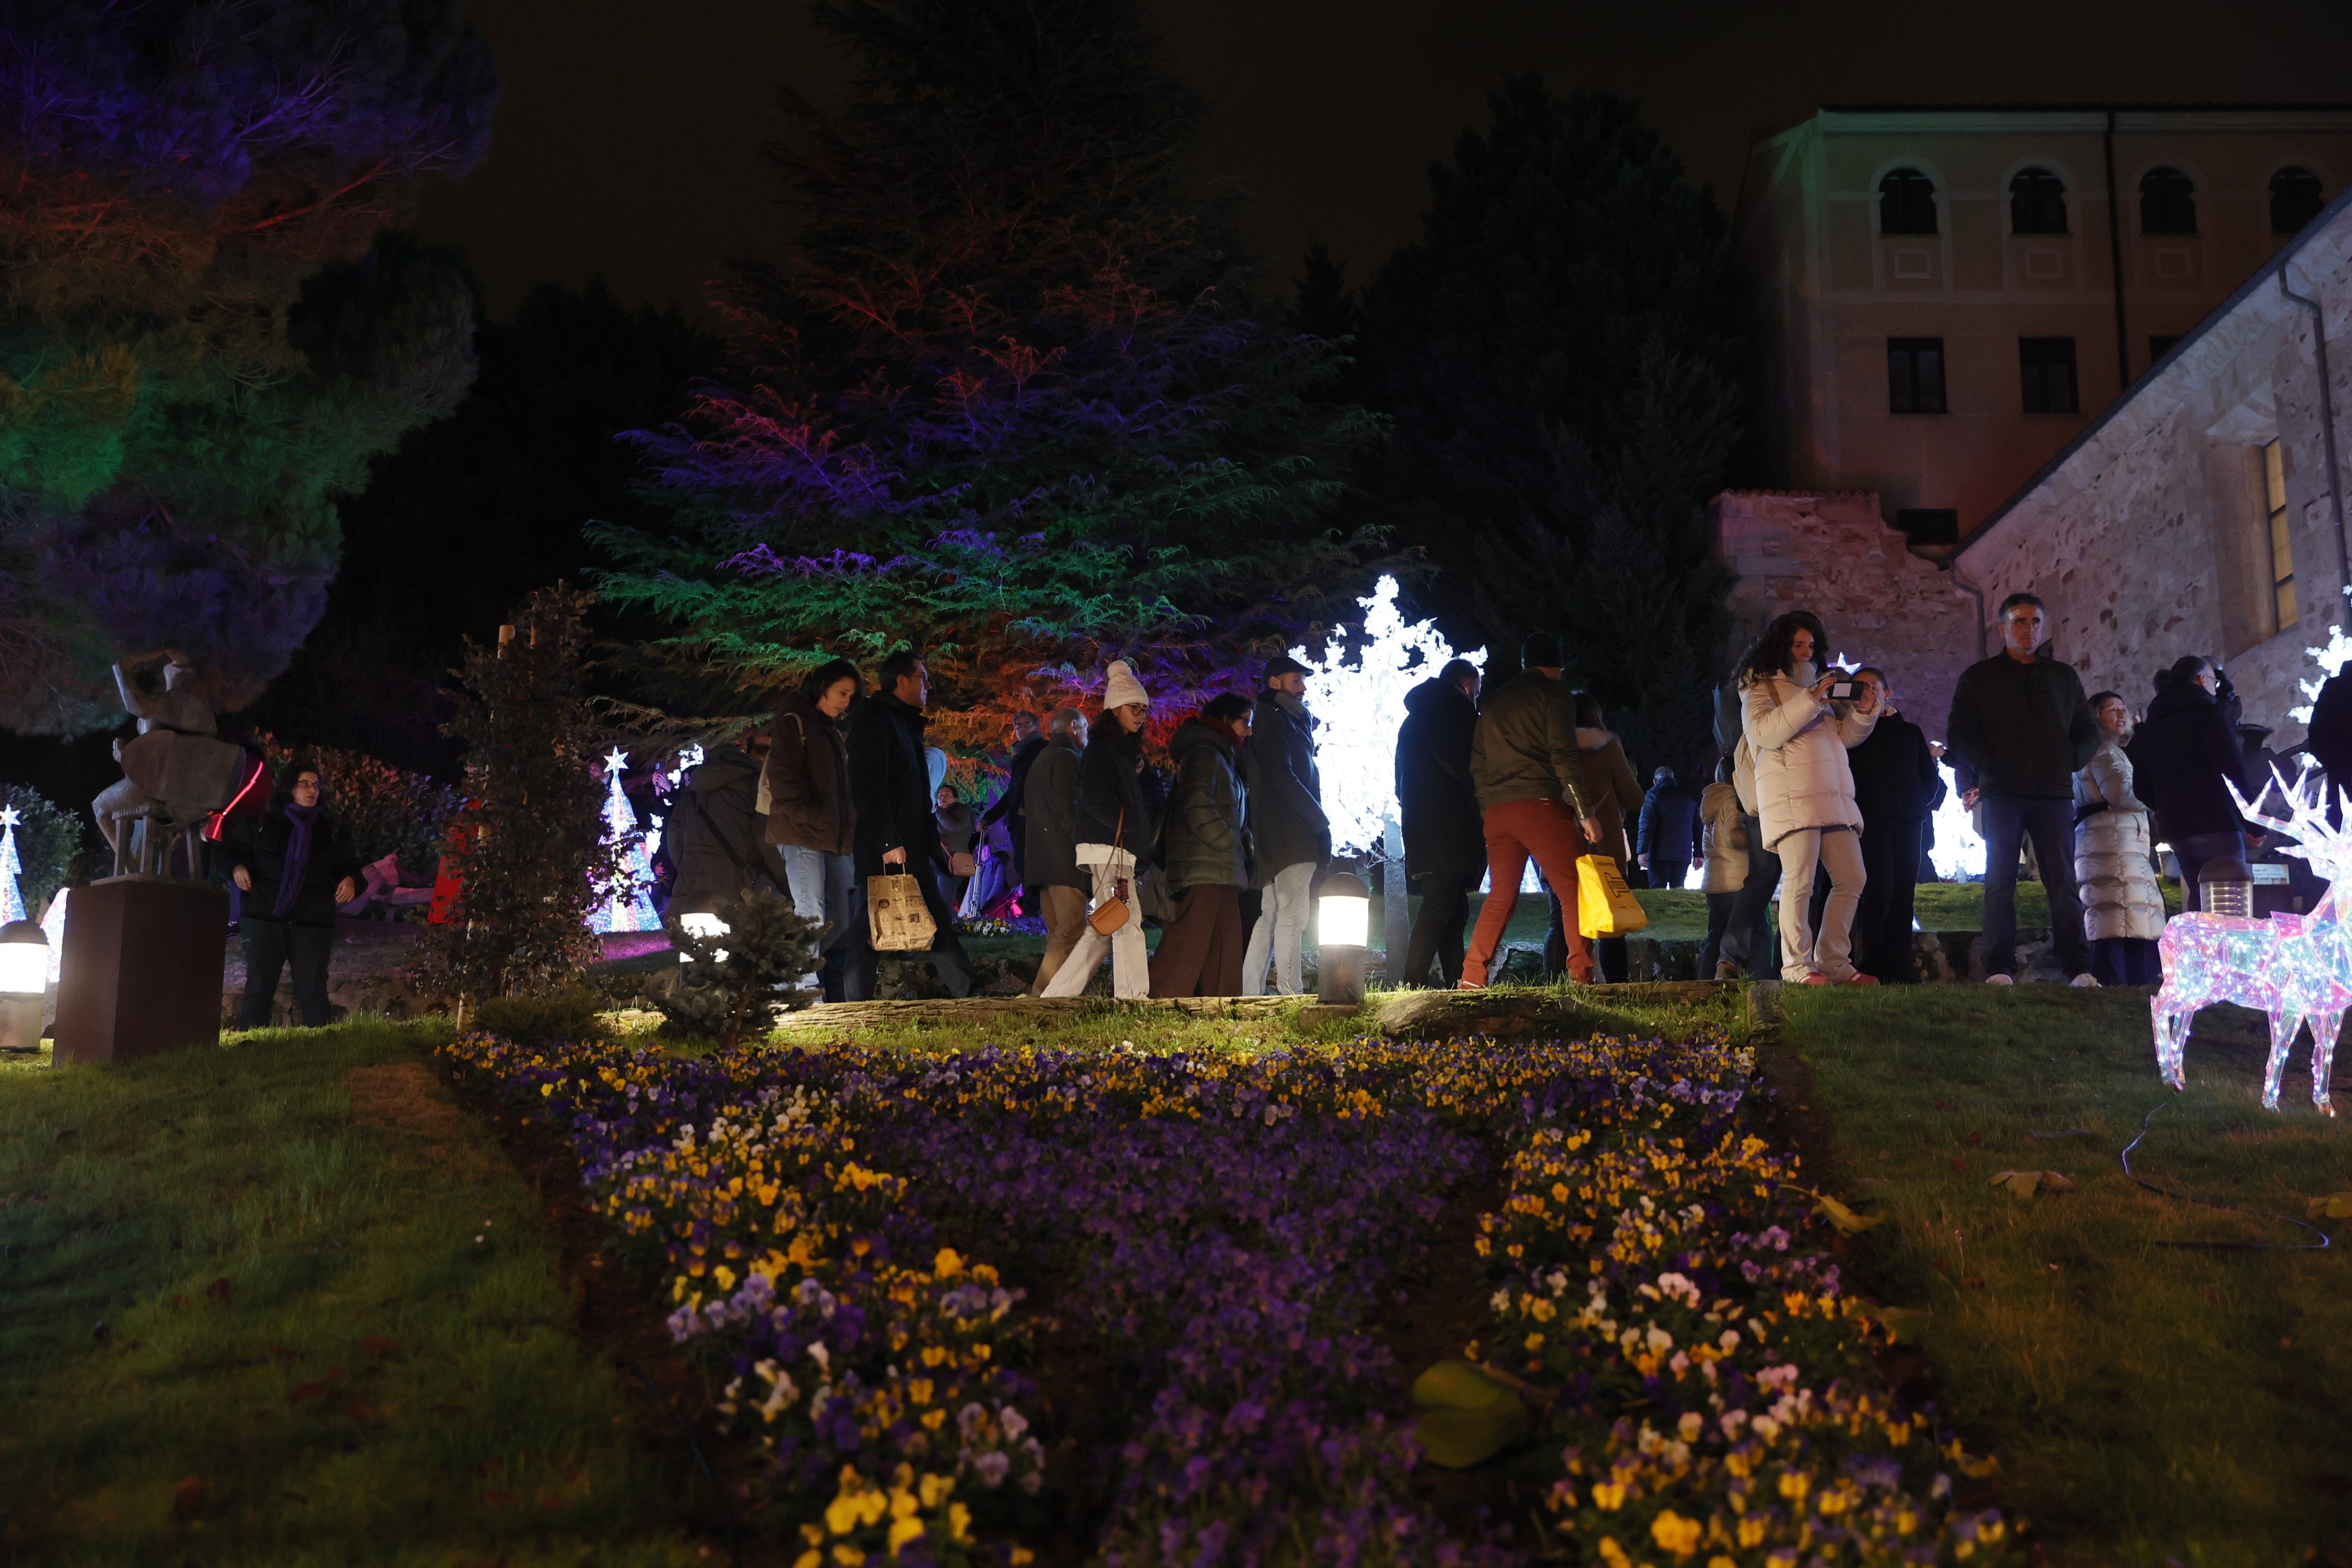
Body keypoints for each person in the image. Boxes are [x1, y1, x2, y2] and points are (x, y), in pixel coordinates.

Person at [1945, 592, 2099, 986]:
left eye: (2034, 622)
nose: (2028, 629)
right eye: (2019, 621)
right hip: (2003, 792)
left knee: (2062, 880)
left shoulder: (2063, 678)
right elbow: (1959, 733)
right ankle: (1998, 968)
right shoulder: (1979, 678)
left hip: (2053, 791)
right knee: (2000, 880)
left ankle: (2078, 967)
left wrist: (2070, 759)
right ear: (2002, 628)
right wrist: (1990, 763)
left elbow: (2086, 728)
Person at [1740, 611, 1880, 985]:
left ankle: (1835, 962)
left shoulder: (1819, 688)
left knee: (1853, 877)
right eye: (1797, 644)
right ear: (1780, 646)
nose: (1805, 652)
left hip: (1833, 797)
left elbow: (1841, 738)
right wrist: (1811, 699)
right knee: (1801, 881)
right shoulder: (1759, 688)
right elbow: (1766, 733)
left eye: (1811, 646)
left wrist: (1864, 713)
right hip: (1791, 799)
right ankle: (1797, 966)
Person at [1458, 632, 1603, 987]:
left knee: (1501, 895)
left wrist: (1487, 805)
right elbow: (1564, 756)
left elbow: (1478, 763)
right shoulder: (1554, 694)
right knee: (1573, 891)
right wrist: (1586, 812)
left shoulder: (1491, 702)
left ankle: (1472, 977)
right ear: (1556, 668)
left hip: (1498, 812)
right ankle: (1581, 976)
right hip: (1539, 805)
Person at [846, 651, 977, 999]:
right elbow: (868, 787)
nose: (928, 685)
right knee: (868, 926)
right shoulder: (876, 722)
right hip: (889, 849)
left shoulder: (902, 724)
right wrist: (888, 841)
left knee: (933, 919)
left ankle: (969, 992)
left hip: (910, 846)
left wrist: (936, 848)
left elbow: (915, 797)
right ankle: (854, 1003)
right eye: (923, 677)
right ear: (901, 680)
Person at [1043, 662, 1155, 998]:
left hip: (1109, 846)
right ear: (1115, 709)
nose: (1140, 715)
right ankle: (1133, 996)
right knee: (1125, 919)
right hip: (1110, 847)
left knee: (1106, 926)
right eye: (1134, 707)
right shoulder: (1103, 751)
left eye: (1144, 709)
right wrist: (1133, 824)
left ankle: (1058, 995)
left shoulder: (1114, 751)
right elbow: (1094, 800)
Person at [226, 763, 360, 1028]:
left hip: (311, 921)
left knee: (312, 991)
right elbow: (228, 851)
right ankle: (248, 1048)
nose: (312, 790)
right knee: (259, 988)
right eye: (305, 784)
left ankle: (321, 1051)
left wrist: (351, 880)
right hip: (264, 916)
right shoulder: (261, 825)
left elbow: (349, 867)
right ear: (290, 788)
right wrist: (236, 867)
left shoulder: (331, 831)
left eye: (316, 786)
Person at [2130, 654, 2256, 912]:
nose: (2215, 689)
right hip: (2217, 822)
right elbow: (2233, 769)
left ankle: (2197, 952)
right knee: (2229, 903)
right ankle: (2226, 954)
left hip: (2177, 830)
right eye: (2213, 683)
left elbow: (2141, 787)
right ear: (2202, 680)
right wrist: (2254, 823)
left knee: (2200, 903)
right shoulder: (2209, 713)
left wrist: (2167, 806)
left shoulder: (2151, 726)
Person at [767, 658, 860, 999]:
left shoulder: (829, 729)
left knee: (838, 916)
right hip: (801, 831)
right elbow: (783, 777)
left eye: (852, 695)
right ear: (823, 687)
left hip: (829, 835)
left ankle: (783, 974)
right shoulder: (795, 721)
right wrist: (808, 814)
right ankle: (803, 988)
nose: (847, 701)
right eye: (842, 692)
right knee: (811, 910)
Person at [1841, 667, 1941, 983]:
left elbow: (1929, 775)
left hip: (1909, 823)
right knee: (1877, 891)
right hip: (1871, 825)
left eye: (1875, 686)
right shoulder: (1853, 735)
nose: (1869, 692)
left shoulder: (1909, 732)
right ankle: (1870, 963)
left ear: (1887, 693)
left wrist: (1916, 802)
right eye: (1863, 687)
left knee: (1902, 893)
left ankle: (1900, 966)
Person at [1151, 692, 1252, 997]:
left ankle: (1222, 1005)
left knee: (1225, 942)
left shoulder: (1220, 755)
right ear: (1225, 720)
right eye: (1244, 722)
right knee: (1190, 939)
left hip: (1220, 863)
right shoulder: (1205, 751)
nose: (1248, 730)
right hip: (1205, 862)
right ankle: (1158, 1000)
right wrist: (1227, 839)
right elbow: (1197, 803)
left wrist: (1239, 841)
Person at [1542, 692, 1643, 984]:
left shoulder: (1549, 749)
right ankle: (1616, 988)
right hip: (1601, 848)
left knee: (1559, 921)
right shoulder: (1606, 746)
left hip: (1559, 846)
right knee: (1611, 925)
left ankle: (1556, 986)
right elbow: (1633, 797)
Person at [1394, 656, 1482, 988]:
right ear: (1465, 685)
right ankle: (1412, 982)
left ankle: (1456, 980)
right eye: (1476, 691)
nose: (1477, 698)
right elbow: (1471, 769)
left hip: (1420, 825)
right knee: (1440, 906)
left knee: (1453, 909)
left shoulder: (1412, 721)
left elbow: (1399, 783)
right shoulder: (1459, 715)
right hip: (1452, 826)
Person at [1242, 654, 1328, 995]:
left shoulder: (1275, 719)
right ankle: (1291, 990)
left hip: (1277, 831)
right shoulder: (1275, 720)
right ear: (1274, 682)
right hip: (1291, 830)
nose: (1304, 688)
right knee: (1292, 914)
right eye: (1297, 680)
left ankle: (1251, 991)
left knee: (1273, 915)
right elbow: (1284, 777)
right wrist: (1319, 821)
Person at [2077, 690, 2166, 984]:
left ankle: (2129, 980)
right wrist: (2158, 795)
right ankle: (2123, 980)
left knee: (2123, 912)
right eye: (2112, 709)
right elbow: (2124, 794)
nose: (2122, 714)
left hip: (2117, 842)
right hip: (2112, 843)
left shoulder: (2106, 750)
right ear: (2096, 718)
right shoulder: (2103, 750)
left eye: (2124, 708)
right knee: (2120, 912)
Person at [1713, 663, 1778, 979]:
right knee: (1801, 884)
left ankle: (1730, 958)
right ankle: (1785, 967)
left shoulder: (1736, 710)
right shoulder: (1766, 702)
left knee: (1761, 885)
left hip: (1756, 807)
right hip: (1774, 804)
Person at [667, 733, 778, 917]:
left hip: (692, 889)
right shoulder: (755, 787)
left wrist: (691, 868)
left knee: (695, 944)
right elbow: (768, 842)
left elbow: (674, 838)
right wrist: (784, 887)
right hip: (739, 890)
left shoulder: (693, 789)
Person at [1023, 707, 1090, 994]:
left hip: (1042, 860)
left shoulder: (1041, 759)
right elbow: (1069, 810)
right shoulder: (1067, 758)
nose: (1087, 733)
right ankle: (1042, 993)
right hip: (1063, 859)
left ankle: (1060, 992)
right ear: (1073, 726)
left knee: (1058, 934)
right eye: (1085, 727)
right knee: (1072, 929)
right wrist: (1086, 849)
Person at [977, 711, 1046, 896]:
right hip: (1020, 820)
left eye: (1027, 724)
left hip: (1033, 820)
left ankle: (1035, 912)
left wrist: (1026, 808)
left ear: (1036, 726)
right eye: (1018, 725)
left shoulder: (1041, 750)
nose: (1022, 728)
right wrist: (990, 817)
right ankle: (1033, 910)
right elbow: (1012, 793)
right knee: (1023, 866)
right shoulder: (1021, 754)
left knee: (1031, 867)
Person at [1698, 757, 1746, 979]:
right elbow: (1734, 838)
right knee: (1744, 931)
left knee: (1715, 935)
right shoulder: (1733, 800)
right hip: (1734, 879)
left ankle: (1704, 981)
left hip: (1713, 882)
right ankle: (1734, 972)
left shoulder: (1711, 802)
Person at [1635, 767, 1699, 889]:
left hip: (1658, 854)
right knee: (1678, 890)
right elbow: (1698, 827)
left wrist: (1642, 851)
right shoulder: (1688, 798)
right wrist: (1698, 854)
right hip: (1683, 854)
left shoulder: (1653, 796)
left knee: (1658, 891)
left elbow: (1646, 826)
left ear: (1655, 781)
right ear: (1674, 779)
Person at [934, 783, 977, 914]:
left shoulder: (962, 811)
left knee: (944, 902)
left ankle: (952, 930)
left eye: (948, 795)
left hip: (952, 863)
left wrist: (938, 811)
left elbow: (954, 827)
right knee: (936, 901)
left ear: (956, 799)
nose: (943, 797)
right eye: (940, 795)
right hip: (938, 862)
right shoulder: (941, 814)